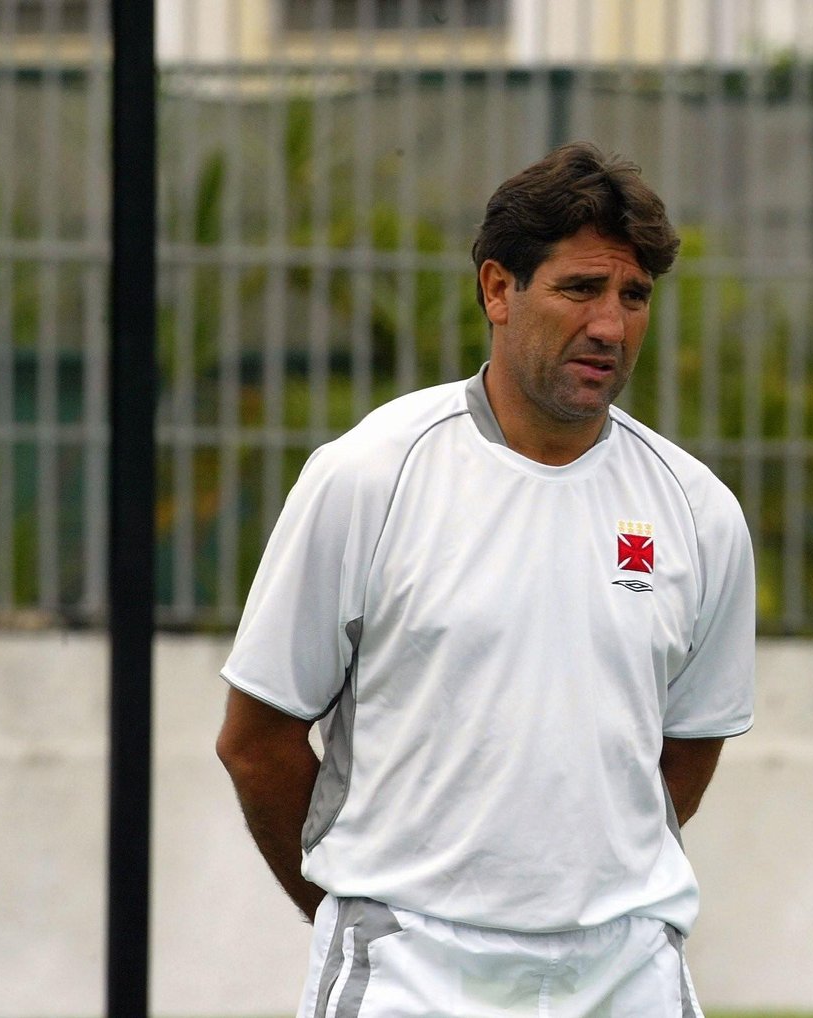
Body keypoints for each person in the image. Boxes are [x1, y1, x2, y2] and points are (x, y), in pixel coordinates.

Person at [216, 141, 755, 1018]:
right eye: (580, 289)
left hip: (627, 973)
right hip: (411, 972)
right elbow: (256, 740)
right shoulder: (371, 475)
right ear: (498, 290)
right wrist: (360, 911)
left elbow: (688, 748)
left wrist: (587, 894)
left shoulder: (699, 510)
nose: (611, 326)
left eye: (634, 296)